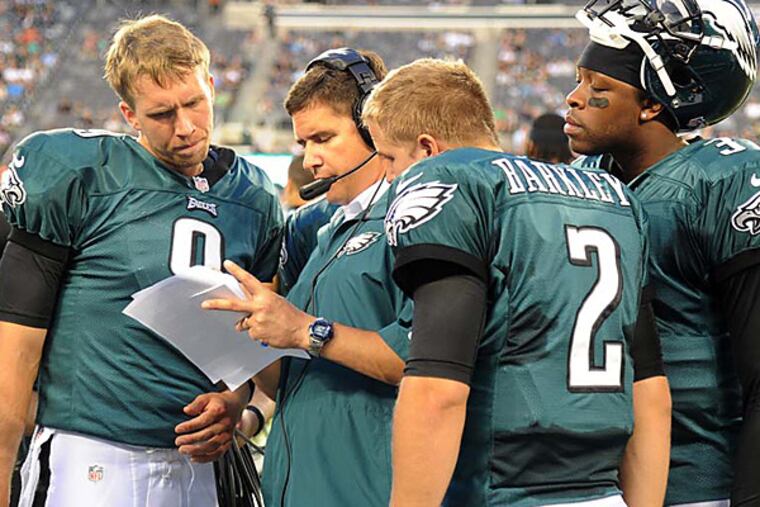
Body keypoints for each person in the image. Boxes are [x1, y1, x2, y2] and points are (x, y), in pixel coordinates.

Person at [0, 14, 283, 506]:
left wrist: (234, 401)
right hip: (90, 457)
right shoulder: (83, 174)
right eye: (162, 114)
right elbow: (14, 350)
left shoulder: (255, 196)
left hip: (201, 469)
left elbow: (252, 344)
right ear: (129, 115)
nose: (185, 127)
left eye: (194, 103)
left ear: (212, 85)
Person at [362, 58, 671, 507]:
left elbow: (437, 390)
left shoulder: (452, 180)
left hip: (501, 488)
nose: (388, 176)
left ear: (427, 148)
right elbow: (650, 394)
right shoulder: (612, 196)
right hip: (602, 492)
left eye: (389, 158)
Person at [566, 0, 760, 504]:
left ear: (652, 105)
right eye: (580, 80)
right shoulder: (580, 181)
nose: (574, 98)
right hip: (591, 481)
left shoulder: (723, 182)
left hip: (698, 482)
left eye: (598, 87)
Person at [202, 48, 412, 506]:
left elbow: (425, 360)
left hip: (368, 487)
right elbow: (290, 381)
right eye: (303, 144)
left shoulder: (416, 217)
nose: (311, 159)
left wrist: (305, 330)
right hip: (298, 484)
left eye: (323, 138)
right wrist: (245, 333)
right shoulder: (318, 231)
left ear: (373, 125)